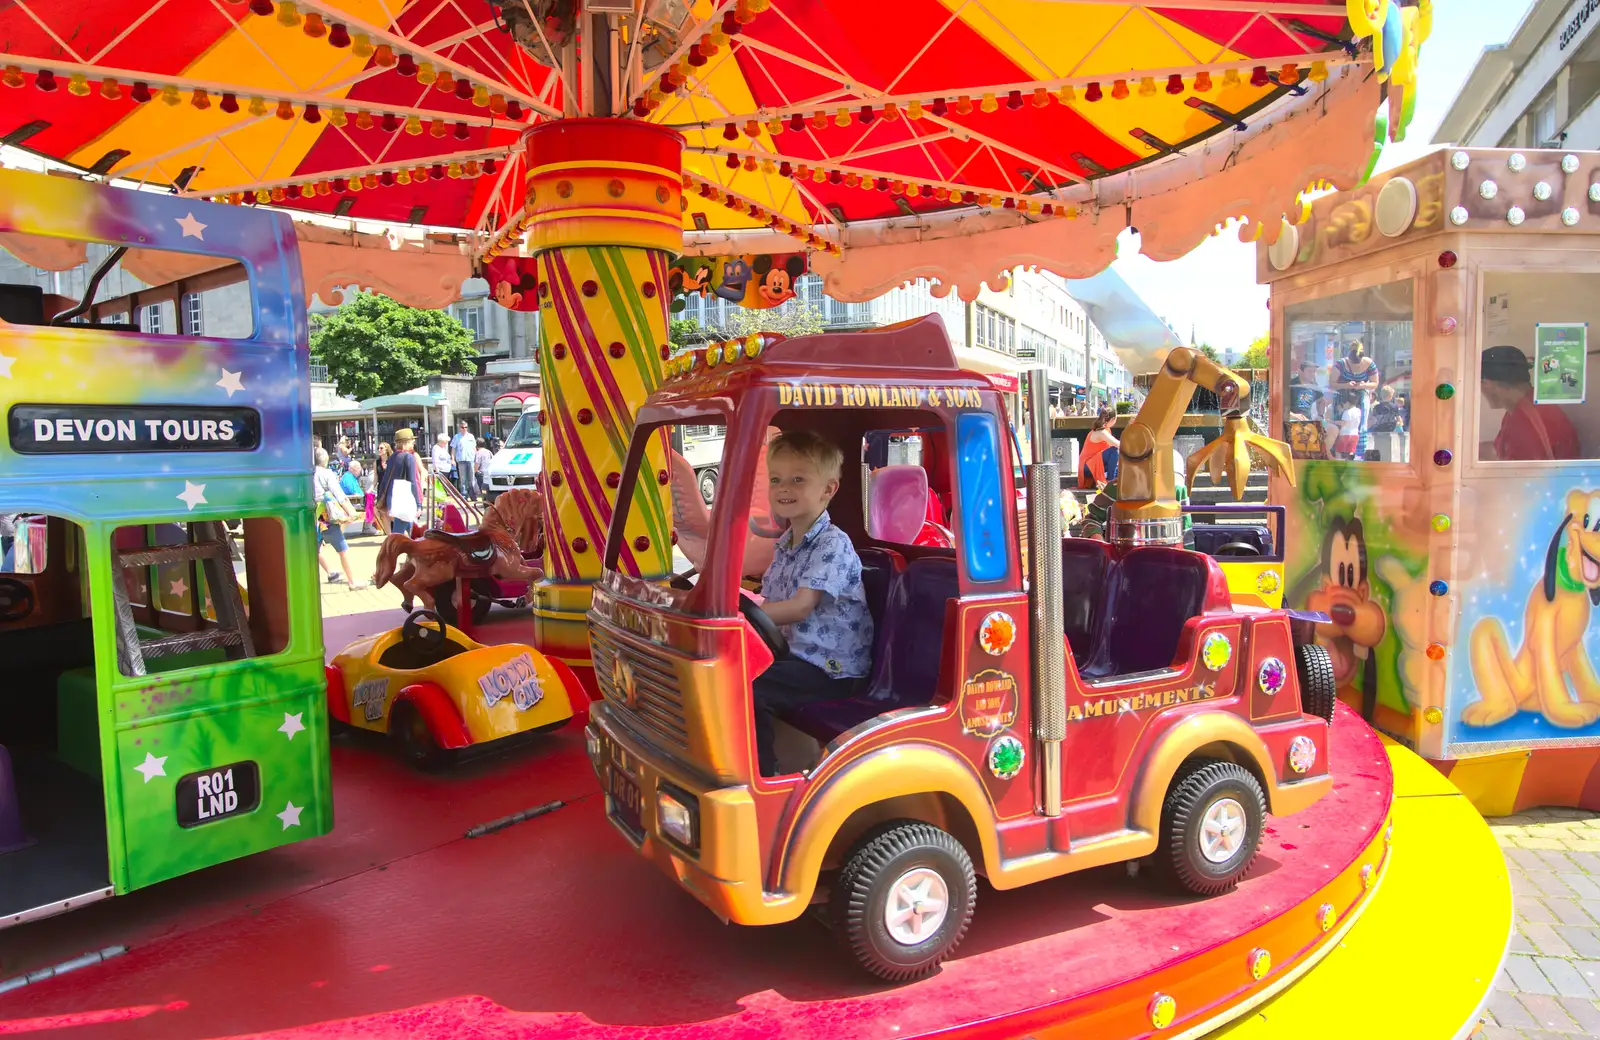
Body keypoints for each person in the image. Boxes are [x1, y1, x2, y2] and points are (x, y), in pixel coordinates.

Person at [749, 431, 874, 777]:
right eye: (776, 480)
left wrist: (736, 615)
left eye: (797, 479)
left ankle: (761, 778)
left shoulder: (832, 544)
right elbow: (769, 601)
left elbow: (800, 606)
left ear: (828, 489)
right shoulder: (786, 545)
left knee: (749, 686)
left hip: (830, 668)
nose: (784, 488)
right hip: (797, 657)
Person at [1480, 345, 1580, 461]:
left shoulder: (1528, 421)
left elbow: (1521, 475)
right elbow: (1501, 449)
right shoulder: (1522, 407)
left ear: (1486, 383)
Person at [313, 448, 368, 589]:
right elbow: (340, 495)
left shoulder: (308, 473)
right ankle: (352, 582)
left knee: (313, 550)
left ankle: (328, 574)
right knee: (342, 549)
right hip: (326, 517)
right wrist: (351, 512)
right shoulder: (326, 474)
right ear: (325, 460)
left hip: (311, 517)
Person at [1332, 342, 1379, 457]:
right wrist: (1347, 384)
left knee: (1360, 425)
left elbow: (1375, 383)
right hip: (1342, 398)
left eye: (1358, 363)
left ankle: (1358, 454)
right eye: (1353, 363)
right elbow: (1332, 383)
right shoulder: (1340, 364)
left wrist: (1363, 385)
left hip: (1360, 398)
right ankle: (1338, 454)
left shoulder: (1369, 363)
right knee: (1341, 425)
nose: (1355, 366)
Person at [380, 429, 424, 537]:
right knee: (399, 533)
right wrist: (418, 504)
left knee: (411, 530)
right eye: (411, 441)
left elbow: (385, 480)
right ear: (406, 442)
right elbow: (412, 481)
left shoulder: (392, 457)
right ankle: (392, 551)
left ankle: (414, 551)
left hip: (393, 497)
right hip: (404, 499)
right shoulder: (408, 457)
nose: (413, 443)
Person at [1079, 407, 1119, 488]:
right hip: (1088, 466)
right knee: (1115, 451)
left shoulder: (1103, 430)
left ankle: (1111, 480)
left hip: (1092, 464)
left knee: (1120, 468)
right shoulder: (1101, 432)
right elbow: (1118, 445)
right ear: (1113, 419)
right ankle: (1110, 482)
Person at [1331, 391, 1364, 459]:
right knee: (1351, 451)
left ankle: (1339, 463)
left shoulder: (1347, 412)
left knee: (1339, 451)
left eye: (1344, 404)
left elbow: (1343, 423)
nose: (1343, 405)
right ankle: (1350, 463)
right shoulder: (1358, 411)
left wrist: (1333, 422)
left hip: (1344, 434)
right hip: (1355, 434)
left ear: (1347, 403)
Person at [452, 420, 478, 500]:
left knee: (471, 478)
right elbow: (453, 449)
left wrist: (476, 458)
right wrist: (452, 459)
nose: (464, 429)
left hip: (470, 459)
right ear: (460, 428)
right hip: (461, 460)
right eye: (462, 427)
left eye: (466, 427)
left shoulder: (471, 436)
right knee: (463, 479)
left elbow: (474, 448)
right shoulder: (457, 437)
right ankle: (464, 496)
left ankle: (473, 496)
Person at [372, 442, 393, 535]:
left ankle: (400, 531)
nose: (379, 450)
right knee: (383, 513)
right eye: (378, 448)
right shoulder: (376, 463)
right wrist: (371, 488)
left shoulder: (392, 461)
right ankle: (389, 536)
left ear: (386, 449)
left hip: (391, 489)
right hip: (381, 489)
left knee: (391, 512)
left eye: (381, 448)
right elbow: (375, 477)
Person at [474, 438, 495, 502]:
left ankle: (484, 501)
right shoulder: (489, 452)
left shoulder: (478, 453)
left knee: (482, 489)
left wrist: (475, 471)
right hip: (488, 472)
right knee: (488, 488)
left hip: (481, 472)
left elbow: (477, 463)